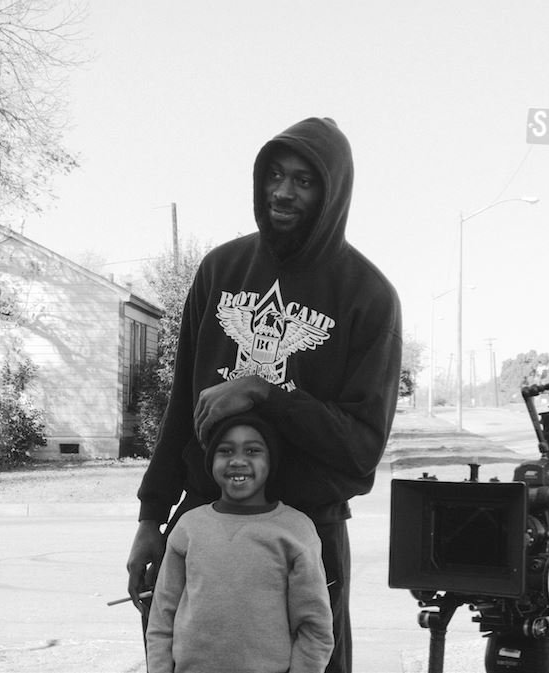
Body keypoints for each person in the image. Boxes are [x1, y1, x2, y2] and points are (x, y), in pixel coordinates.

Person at [126, 117, 403, 673]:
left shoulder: (368, 295)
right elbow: (182, 406)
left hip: (306, 534)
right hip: (207, 522)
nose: (282, 192)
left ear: (332, 193)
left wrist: (262, 393)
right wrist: (152, 517)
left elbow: (360, 449)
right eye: (275, 175)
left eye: (304, 180)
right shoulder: (221, 270)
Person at [145, 413, 334, 673]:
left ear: (271, 461)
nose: (237, 460)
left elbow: (315, 628)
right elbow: (161, 619)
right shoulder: (189, 527)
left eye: (253, 450)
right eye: (225, 451)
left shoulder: (296, 530)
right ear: (210, 461)